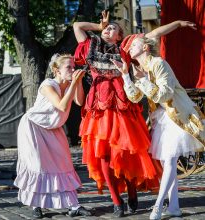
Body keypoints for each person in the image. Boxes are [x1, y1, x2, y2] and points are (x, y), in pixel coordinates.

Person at [73, 10, 196, 217]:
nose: (109, 29)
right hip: (99, 109)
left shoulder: (125, 48)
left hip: (123, 104)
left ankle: (131, 193)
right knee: (102, 155)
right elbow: (77, 26)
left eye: (114, 28)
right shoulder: (89, 46)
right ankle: (116, 201)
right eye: (108, 27)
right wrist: (99, 26)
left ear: (120, 36)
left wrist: (177, 23)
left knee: (128, 152)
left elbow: (154, 34)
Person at [112, 35, 205, 220]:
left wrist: (144, 80)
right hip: (161, 119)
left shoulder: (159, 63)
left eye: (133, 44)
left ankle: (158, 207)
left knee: (169, 161)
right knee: (166, 163)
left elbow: (164, 95)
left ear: (145, 47)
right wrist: (125, 75)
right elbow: (135, 97)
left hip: (176, 115)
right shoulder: (140, 68)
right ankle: (174, 208)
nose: (129, 47)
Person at [14, 54, 91, 218]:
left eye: (73, 66)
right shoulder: (47, 85)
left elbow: (79, 100)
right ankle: (36, 205)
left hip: (54, 127)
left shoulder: (70, 83)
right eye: (68, 67)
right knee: (38, 166)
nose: (73, 69)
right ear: (57, 70)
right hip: (33, 127)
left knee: (64, 164)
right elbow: (62, 106)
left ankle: (73, 206)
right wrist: (74, 83)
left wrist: (76, 83)